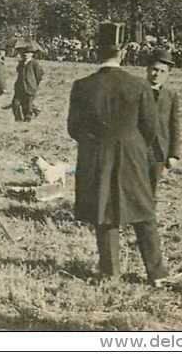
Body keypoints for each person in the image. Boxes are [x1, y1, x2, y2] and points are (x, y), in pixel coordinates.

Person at [67, 23, 171, 286]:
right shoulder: (139, 86)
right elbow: (150, 129)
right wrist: (132, 146)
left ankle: (110, 272)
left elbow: (74, 128)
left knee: (104, 213)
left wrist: (97, 145)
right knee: (144, 212)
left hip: (96, 156)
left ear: (95, 52)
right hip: (133, 156)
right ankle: (157, 274)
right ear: (123, 52)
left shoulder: (82, 86)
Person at [146, 48, 182, 197]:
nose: (157, 74)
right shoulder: (136, 90)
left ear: (168, 74)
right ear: (147, 69)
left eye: (162, 71)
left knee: (151, 188)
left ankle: (146, 217)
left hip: (159, 151)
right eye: (154, 70)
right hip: (137, 149)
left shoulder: (171, 95)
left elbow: (174, 126)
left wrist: (174, 154)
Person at [12, 42, 44, 122]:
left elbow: (39, 74)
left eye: (28, 53)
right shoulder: (21, 63)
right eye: (25, 53)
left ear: (32, 54)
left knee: (28, 105)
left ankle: (27, 119)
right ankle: (18, 119)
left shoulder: (34, 63)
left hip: (30, 87)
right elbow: (18, 72)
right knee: (15, 103)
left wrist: (34, 83)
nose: (26, 54)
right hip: (20, 87)